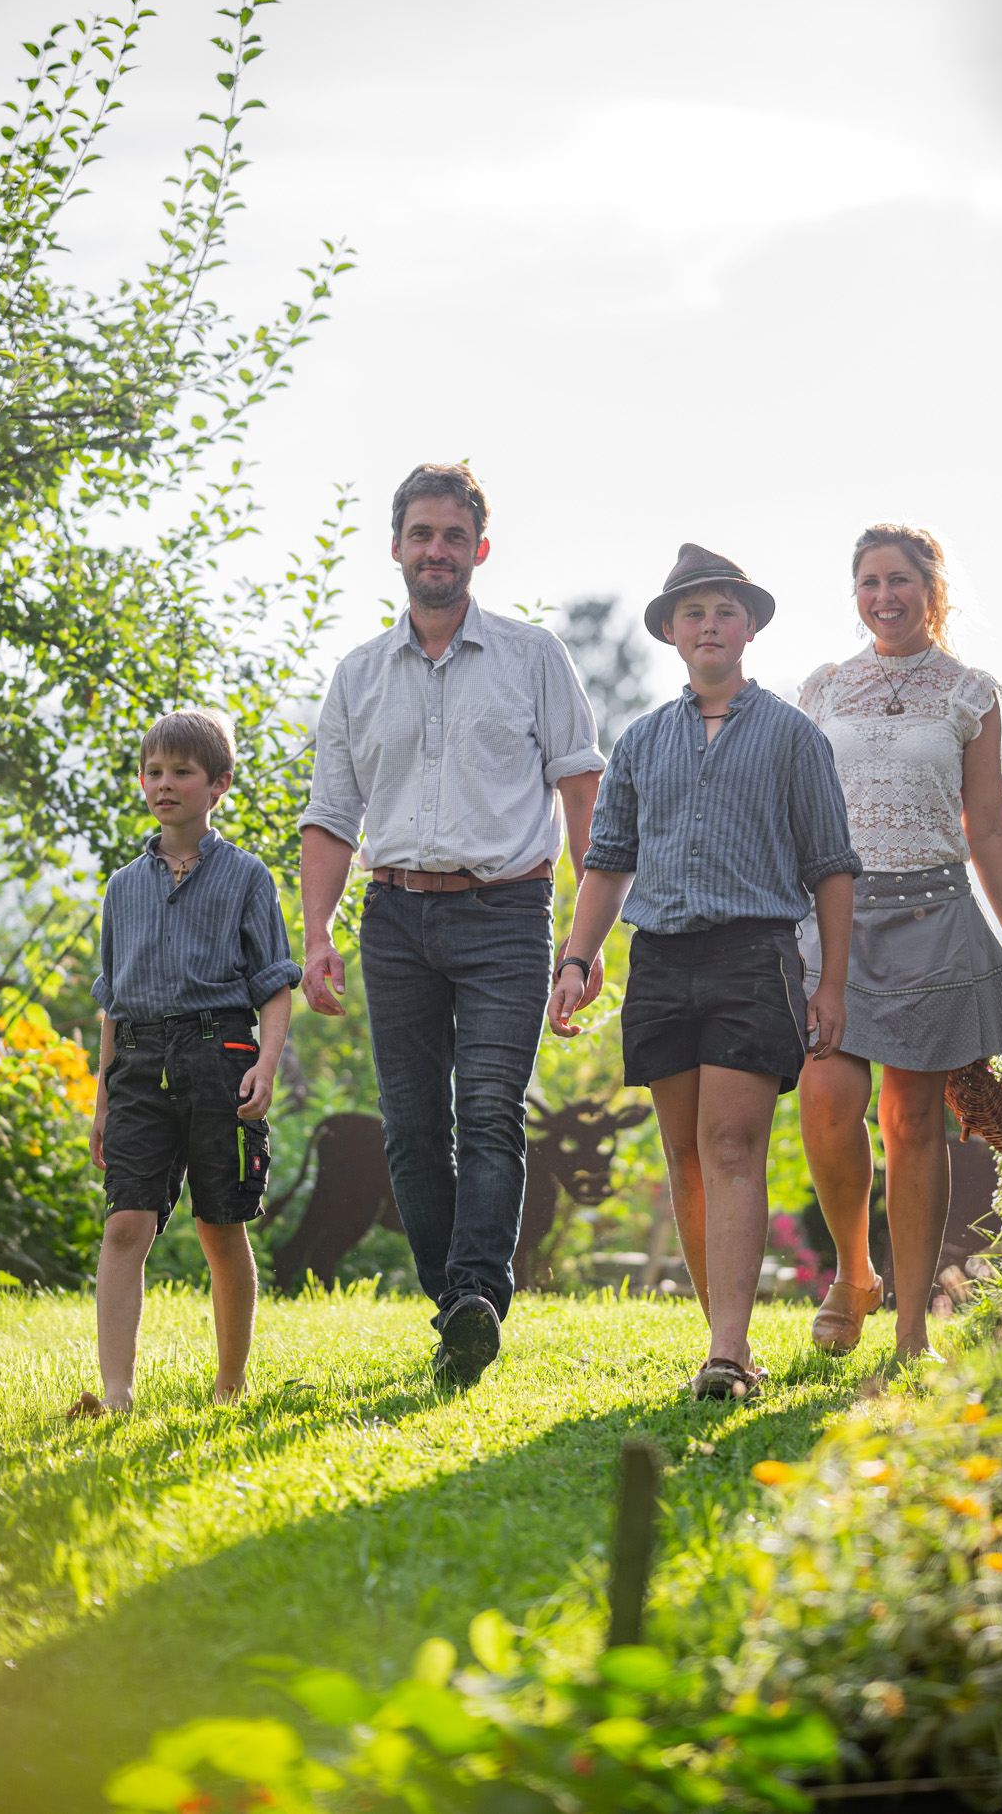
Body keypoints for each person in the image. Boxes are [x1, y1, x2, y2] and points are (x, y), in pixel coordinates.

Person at [298, 464, 604, 1385]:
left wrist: (582, 947)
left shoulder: (532, 656)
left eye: (452, 535)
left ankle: (476, 1290)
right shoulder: (357, 675)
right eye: (420, 533)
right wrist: (316, 937)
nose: (436, 550)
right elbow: (328, 817)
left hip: (507, 913)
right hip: (390, 918)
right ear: (395, 547)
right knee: (409, 1128)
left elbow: (582, 797)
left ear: (479, 549)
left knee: (487, 1109)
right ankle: (456, 1310)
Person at [549, 544, 861, 1401]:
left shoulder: (794, 736)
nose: (709, 625)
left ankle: (730, 1352)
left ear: (749, 626)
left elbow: (832, 865)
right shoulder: (643, 741)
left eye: (724, 610)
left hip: (752, 956)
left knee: (732, 1146)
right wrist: (576, 962)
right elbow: (606, 864)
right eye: (693, 613)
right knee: (685, 1156)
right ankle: (717, 1335)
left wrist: (827, 983)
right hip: (659, 960)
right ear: (672, 634)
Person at [796, 523, 1002, 1363]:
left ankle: (911, 1326)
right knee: (828, 1100)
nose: (884, 596)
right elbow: (797, 813)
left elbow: (986, 828)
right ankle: (852, 1274)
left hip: (932, 921)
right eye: (869, 581)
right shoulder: (825, 688)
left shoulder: (968, 693)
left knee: (913, 1122)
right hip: (834, 922)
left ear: (930, 587)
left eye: (899, 580)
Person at [73, 708, 299, 1414]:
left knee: (219, 1227)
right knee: (124, 1224)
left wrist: (265, 1064)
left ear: (219, 784)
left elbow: (275, 986)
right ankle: (116, 1393)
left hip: (219, 1057)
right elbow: (111, 1004)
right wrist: (103, 1100)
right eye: (154, 772)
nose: (163, 785)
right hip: (138, 1065)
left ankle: (229, 1385)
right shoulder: (121, 887)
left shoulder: (247, 877)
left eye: (181, 773)